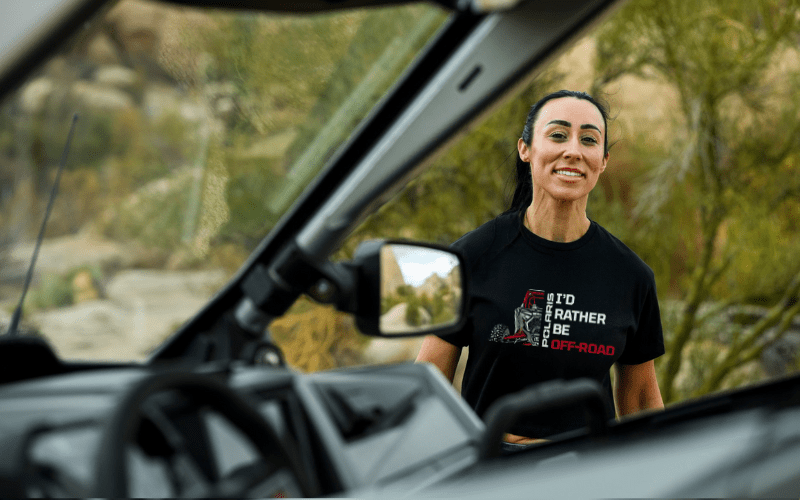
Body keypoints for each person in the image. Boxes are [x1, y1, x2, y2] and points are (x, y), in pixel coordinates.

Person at [416, 90, 664, 452]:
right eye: (558, 135)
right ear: (525, 149)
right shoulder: (470, 257)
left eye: (589, 140)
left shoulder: (631, 276)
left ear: (603, 161)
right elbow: (429, 381)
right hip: (492, 467)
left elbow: (640, 397)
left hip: (586, 469)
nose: (574, 150)